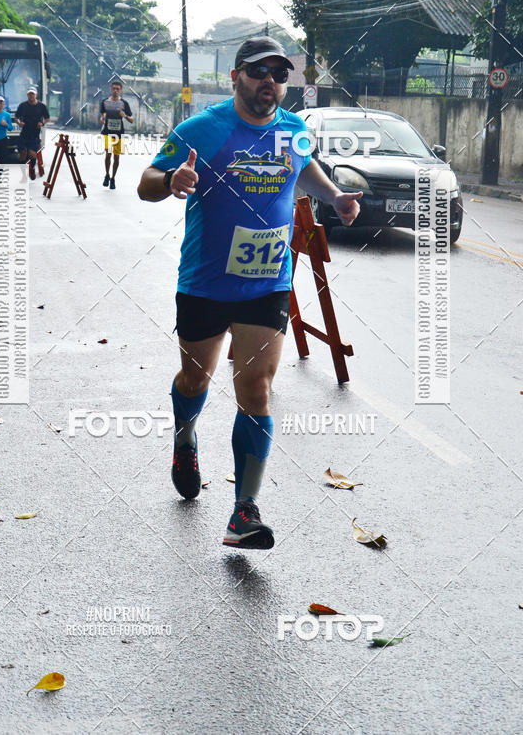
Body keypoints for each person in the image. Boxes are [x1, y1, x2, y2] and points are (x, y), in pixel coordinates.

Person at [137, 37, 362, 550]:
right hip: (206, 283)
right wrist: (174, 178)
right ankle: (185, 438)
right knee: (195, 379)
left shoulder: (294, 129)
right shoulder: (203, 129)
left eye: (280, 75)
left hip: (268, 281)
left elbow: (303, 168)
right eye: (260, 72)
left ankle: (244, 513)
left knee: (255, 389)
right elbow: (146, 181)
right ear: (236, 75)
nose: (271, 82)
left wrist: (333, 197)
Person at [99, 79, 133, 190]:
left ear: (121, 90)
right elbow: (103, 113)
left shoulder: (124, 103)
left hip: (119, 134)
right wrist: (102, 118)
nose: (115, 90)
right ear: (110, 89)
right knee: (108, 154)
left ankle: (113, 178)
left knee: (117, 157)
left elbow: (132, 120)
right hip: (107, 133)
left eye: (117, 89)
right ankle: (107, 175)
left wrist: (125, 116)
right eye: (113, 88)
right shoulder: (105, 102)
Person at [14, 87, 50, 180]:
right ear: (27, 95)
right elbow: (16, 117)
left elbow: (47, 118)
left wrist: (42, 123)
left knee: (32, 154)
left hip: (35, 135)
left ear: (36, 95)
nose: (31, 96)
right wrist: (19, 122)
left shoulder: (42, 106)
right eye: (29, 94)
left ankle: (32, 168)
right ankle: (23, 175)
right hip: (24, 134)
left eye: (33, 94)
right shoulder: (23, 105)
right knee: (23, 154)